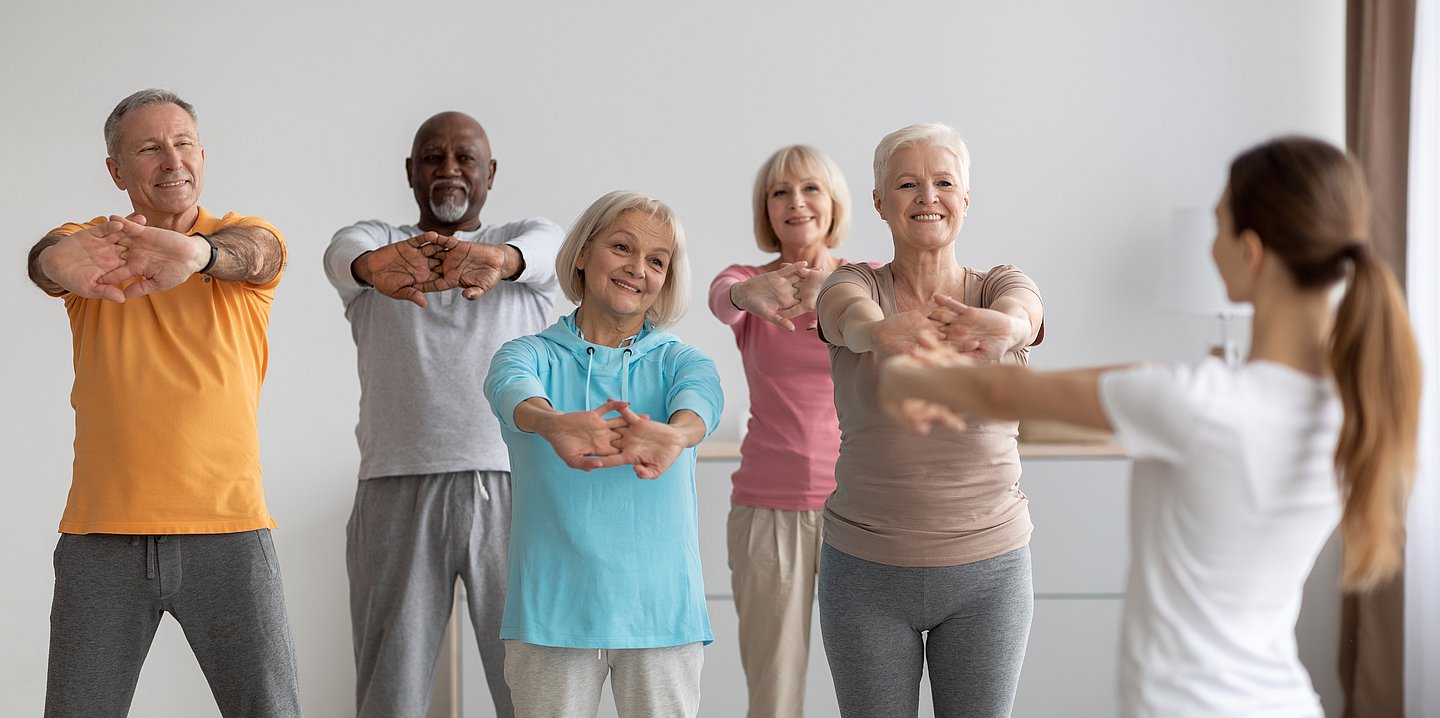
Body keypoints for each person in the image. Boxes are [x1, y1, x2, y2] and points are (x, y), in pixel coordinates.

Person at [878, 136, 1419, 717]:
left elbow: (1007, 389)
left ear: (1252, 252)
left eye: (1218, 226)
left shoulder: (1196, 405)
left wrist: (907, 378)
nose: (1211, 247)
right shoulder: (1350, 405)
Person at [26, 89, 299, 717]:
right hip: (101, 539)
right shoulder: (97, 247)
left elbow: (261, 254)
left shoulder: (240, 243)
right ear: (116, 171)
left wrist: (197, 255)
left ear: (202, 155)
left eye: (182, 144)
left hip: (229, 531)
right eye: (149, 148)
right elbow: (49, 260)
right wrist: (49, 261)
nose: (171, 160)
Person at [322, 111, 562, 718]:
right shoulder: (378, 249)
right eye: (433, 157)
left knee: (533, 691)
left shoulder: (523, 252)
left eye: (464, 158)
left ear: (490, 172)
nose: (448, 169)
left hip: (514, 490)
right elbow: (341, 253)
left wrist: (499, 260)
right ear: (410, 171)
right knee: (391, 694)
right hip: (395, 488)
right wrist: (378, 268)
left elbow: (553, 248)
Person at [814, 122, 1045, 718]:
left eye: (944, 182)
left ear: (965, 199)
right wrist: (878, 332)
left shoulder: (998, 288)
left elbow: (1025, 311)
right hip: (865, 570)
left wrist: (1008, 328)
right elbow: (845, 315)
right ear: (880, 203)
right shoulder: (854, 283)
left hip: (988, 569)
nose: (928, 197)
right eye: (908, 184)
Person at [484, 191, 722, 718]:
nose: (638, 269)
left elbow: (701, 405)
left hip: (661, 617)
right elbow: (511, 390)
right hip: (552, 616)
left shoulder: (684, 362)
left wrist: (674, 436)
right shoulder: (528, 353)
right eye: (622, 247)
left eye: (657, 261)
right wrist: (554, 423)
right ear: (582, 253)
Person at [708, 145, 853, 717]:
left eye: (810, 188)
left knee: (875, 692)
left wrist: (835, 299)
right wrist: (751, 295)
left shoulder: (865, 282)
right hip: (769, 510)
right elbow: (723, 299)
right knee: (774, 694)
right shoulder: (746, 279)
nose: (796, 202)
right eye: (780, 192)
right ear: (765, 210)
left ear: (833, 201)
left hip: (860, 508)